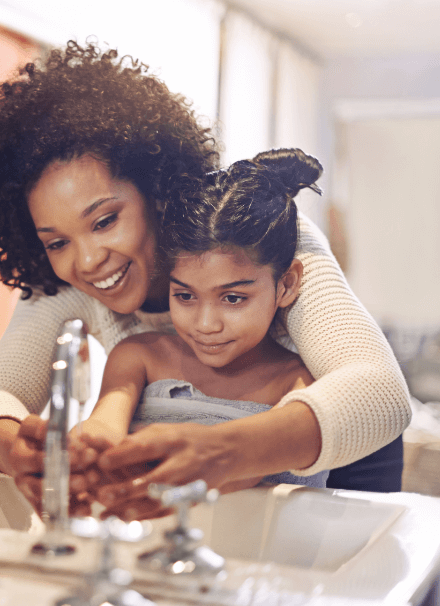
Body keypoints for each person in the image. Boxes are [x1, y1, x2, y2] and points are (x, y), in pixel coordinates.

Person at [0, 41, 410, 515]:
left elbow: (380, 392)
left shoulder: (260, 240)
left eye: (105, 220)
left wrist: (223, 450)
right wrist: (17, 452)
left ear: (156, 190)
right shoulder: (68, 283)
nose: (87, 260)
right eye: (56, 242)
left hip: (343, 453)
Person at [79, 148, 330, 519]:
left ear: (286, 284)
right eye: (185, 295)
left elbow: (255, 478)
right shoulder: (139, 358)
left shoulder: (300, 383)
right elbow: (104, 424)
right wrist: (88, 450)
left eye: (232, 297)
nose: (205, 324)